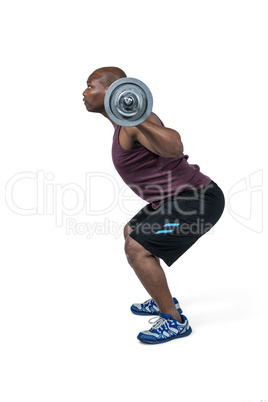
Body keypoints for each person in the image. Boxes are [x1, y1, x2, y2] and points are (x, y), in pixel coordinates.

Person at [83, 66, 225, 344]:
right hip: (175, 199)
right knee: (131, 232)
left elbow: (174, 146)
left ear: (112, 92)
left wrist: (135, 115)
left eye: (90, 85)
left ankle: (174, 321)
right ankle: (161, 297)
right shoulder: (124, 125)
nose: (84, 92)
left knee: (138, 248)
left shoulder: (136, 121)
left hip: (197, 200)